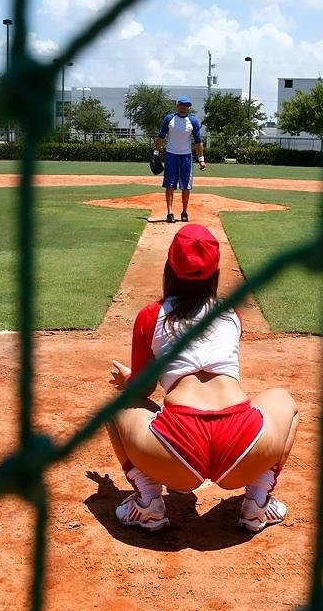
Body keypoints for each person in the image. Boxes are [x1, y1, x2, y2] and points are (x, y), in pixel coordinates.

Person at [107, 224, 300, 533]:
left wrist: (130, 381)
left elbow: (143, 390)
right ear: (216, 273)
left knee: (117, 405)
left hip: (175, 453)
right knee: (284, 400)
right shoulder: (230, 314)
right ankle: (257, 502)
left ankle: (148, 503)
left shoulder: (150, 315)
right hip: (243, 446)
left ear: (170, 267)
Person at [153, 96, 206, 223]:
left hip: (186, 157)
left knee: (186, 186)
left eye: (186, 105)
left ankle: (184, 211)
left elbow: (198, 142)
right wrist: (155, 153)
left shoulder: (193, 121)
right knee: (169, 184)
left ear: (189, 107)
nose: (184, 107)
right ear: (177, 106)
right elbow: (161, 136)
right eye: (182, 105)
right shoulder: (169, 119)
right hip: (171, 155)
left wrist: (201, 159)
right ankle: (170, 213)